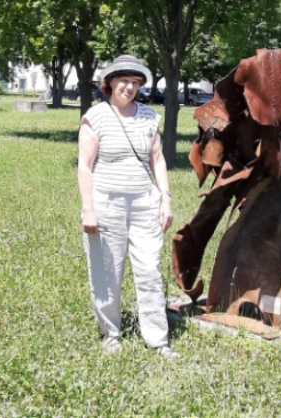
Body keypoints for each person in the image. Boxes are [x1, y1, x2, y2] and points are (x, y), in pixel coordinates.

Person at [77, 55, 179, 359]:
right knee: (108, 271)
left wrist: (165, 198)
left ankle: (158, 339)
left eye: (136, 82)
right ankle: (110, 333)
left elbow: (157, 159)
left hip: (145, 204)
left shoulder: (149, 116)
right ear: (109, 83)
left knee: (149, 270)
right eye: (124, 80)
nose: (130, 87)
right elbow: (85, 166)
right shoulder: (94, 117)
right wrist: (89, 209)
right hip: (107, 203)